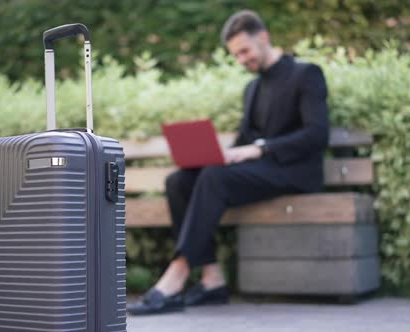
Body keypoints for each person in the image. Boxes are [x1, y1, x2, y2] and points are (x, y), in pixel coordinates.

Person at [127, 9, 329, 315]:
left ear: (263, 37)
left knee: (215, 178)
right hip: (261, 171)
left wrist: (261, 148)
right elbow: (242, 143)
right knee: (179, 181)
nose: (241, 60)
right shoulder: (253, 88)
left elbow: (317, 135)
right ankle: (212, 279)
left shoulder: (306, 74)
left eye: (245, 51)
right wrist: (211, 155)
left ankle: (178, 273)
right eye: (235, 55)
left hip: (295, 172)